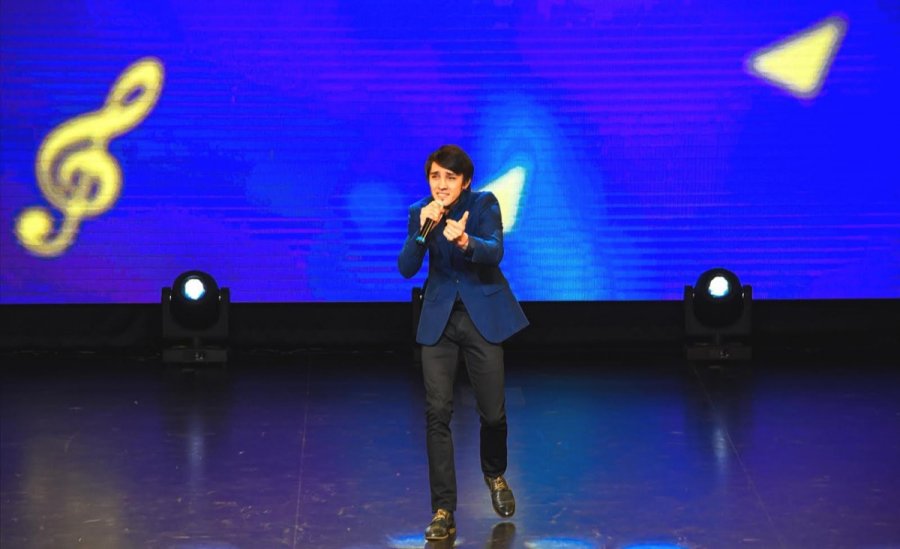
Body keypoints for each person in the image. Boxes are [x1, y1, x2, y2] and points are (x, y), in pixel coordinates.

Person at [398, 144, 529, 541]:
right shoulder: (420, 211)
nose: (441, 185)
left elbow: (494, 251)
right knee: (437, 413)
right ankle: (443, 510)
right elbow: (406, 268)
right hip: (439, 319)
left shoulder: (484, 203)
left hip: (480, 317)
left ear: (465, 181)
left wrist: (465, 242)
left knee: (493, 413)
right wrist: (422, 232)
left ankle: (495, 473)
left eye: (450, 177)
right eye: (435, 177)